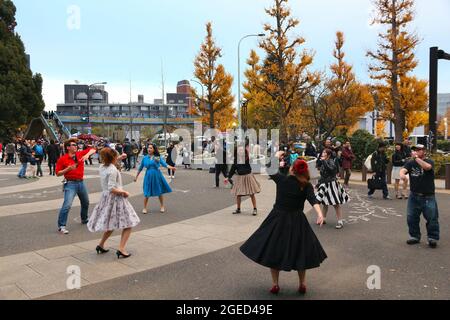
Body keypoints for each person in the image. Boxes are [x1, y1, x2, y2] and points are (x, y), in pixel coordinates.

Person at [240, 159, 326, 295]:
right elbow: (313, 200)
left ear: (292, 169)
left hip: (278, 219)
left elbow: (268, 167)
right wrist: (320, 213)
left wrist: (276, 155)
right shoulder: (306, 185)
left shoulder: (282, 180)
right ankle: (302, 284)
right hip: (298, 220)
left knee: (274, 250)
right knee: (300, 252)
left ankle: (275, 285)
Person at [88, 148, 140, 259]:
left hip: (106, 197)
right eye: (116, 155)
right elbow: (112, 188)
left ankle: (101, 245)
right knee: (129, 223)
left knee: (110, 223)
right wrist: (124, 192)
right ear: (113, 158)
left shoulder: (102, 167)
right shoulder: (113, 170)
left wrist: (119, 158)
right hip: (116, 198)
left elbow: (110, 166)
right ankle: (121, 249)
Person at [400, 144, 440, 248]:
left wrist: (416, 158)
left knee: (432, 218)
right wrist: (402, 175)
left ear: (424, 151)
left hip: (428, 196)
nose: (416, 152)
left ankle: (432, 238)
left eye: (419, 150)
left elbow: (427, 167)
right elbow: (403, 169)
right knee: (411, 217)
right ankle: (415, 236)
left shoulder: (429, 161)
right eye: (415, 150)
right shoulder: (411, 163)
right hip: (414, 195)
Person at [55, 138, 97, 234]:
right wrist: (67, 169)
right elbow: (57, 173)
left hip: (81, 182)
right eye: (73, 145)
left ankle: (84, 219)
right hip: (70, 184)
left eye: (76, 145)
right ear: (68, 147)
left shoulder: (79, 154)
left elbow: (94, 149)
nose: (76, 146)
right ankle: (61, 226)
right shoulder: (62, 159)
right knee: (67, 205)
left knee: (86, 202)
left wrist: (87, 155)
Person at [134, 144, 176, 214]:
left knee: (159, 191)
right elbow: (140, 168)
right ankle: (144, 208)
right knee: (146, 192)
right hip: (148, 175)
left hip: (157, 175)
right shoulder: (145, 158)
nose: (149, 149)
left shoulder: (156, 157)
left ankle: (162, 206)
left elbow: (164, 164)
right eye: (148, 148)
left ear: (154, 149)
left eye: (150, 148)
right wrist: (136, 177)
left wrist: (171, 167)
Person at [316, 148, 350, 229]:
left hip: (332, 184)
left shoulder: (331, 161)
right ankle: (323, 219)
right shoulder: (323, 161)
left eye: (324, 152)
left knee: (336, 204)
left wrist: (324, 161)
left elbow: (331, 170)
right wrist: (318, 184)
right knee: (325, 203)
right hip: (325, 184)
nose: (323, 153)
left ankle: (340, 221)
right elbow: (323, 175)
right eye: (323, 151)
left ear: (328, 154)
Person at [228, 146, 261, 216]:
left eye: (242, 150)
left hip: (248, 177)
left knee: (251, 193)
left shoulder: (247, 158)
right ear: (237, 151)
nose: (240, 151)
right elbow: (232, 170)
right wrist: (228, 177)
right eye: (239, 150)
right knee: (238, 194)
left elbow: (252, 159)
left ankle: (255, 209)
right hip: (240, 178)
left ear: (244, 151)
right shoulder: (235, 160)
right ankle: (238, 209)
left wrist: (250, 153)